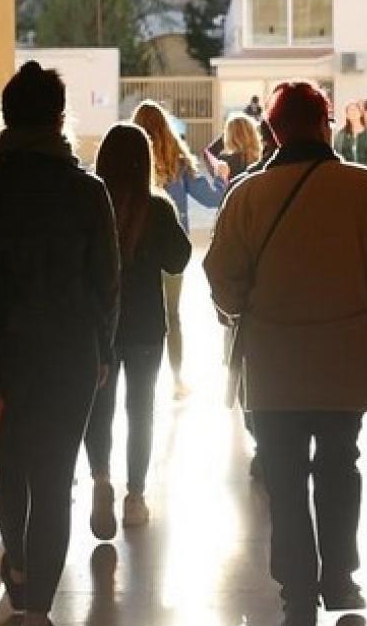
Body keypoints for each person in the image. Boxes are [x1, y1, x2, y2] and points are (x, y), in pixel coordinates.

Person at [204, 80, 367, 626]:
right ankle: (340, 576)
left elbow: (222, 278)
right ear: (326, 124)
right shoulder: (365, 188)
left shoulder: (248, 196)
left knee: (285, 473)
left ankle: (297, 585)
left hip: (272, 363)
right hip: (345, 358)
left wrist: (243, 317)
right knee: (340, 464)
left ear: (273, 131)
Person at [0, 61, 119, 626]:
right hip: (70, 359)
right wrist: (101, 354)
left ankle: (16, 566)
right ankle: (39, 618)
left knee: (11, 473)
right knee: (54, 483)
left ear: (5, 114)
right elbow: (106, 285)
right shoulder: (87, 191)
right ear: (59, 118)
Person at [85, 122, 192, 537]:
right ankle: (134, 497)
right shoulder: (158, 209)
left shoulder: (91, 205)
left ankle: (99, 480)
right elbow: (179, 260)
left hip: (100, 328)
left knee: (100, 407)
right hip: (147, 327)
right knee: (141, 410)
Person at [131, 99, 225, 398]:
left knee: (132, 310)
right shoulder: (178, 159)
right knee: (172, 315)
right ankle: (176, 379)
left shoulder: (128, 157)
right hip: (172, 249)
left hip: (134, 247)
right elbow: (209, 199)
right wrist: (222, 180)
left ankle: (136, 377)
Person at [205, 113, 265, 197]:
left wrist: (231, 132)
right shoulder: (264, 159)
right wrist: (245, 130)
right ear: (253, 133)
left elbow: (209, 153)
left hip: (235, 207)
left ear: (229, 136)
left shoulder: (225, 162)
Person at [333, 101, 367, 172]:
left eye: (355, 110)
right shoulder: (340, 135)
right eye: (350, 111)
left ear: (360, 113)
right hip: (346, 174)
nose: (353, 113)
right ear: (347, 116)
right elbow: (336, 154)